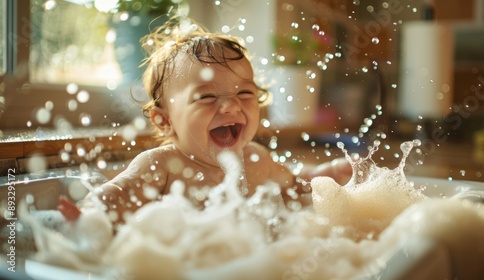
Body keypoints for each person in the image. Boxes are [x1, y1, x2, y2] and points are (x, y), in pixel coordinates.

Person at [58, 17, 352, 228]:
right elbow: (119, 193)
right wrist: (89, 216)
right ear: (165, 121)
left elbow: (293, 187)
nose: (231, 105)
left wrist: (324, 175)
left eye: (245, 93)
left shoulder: (257, 160)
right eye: (207, 96)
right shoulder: (161, 165)